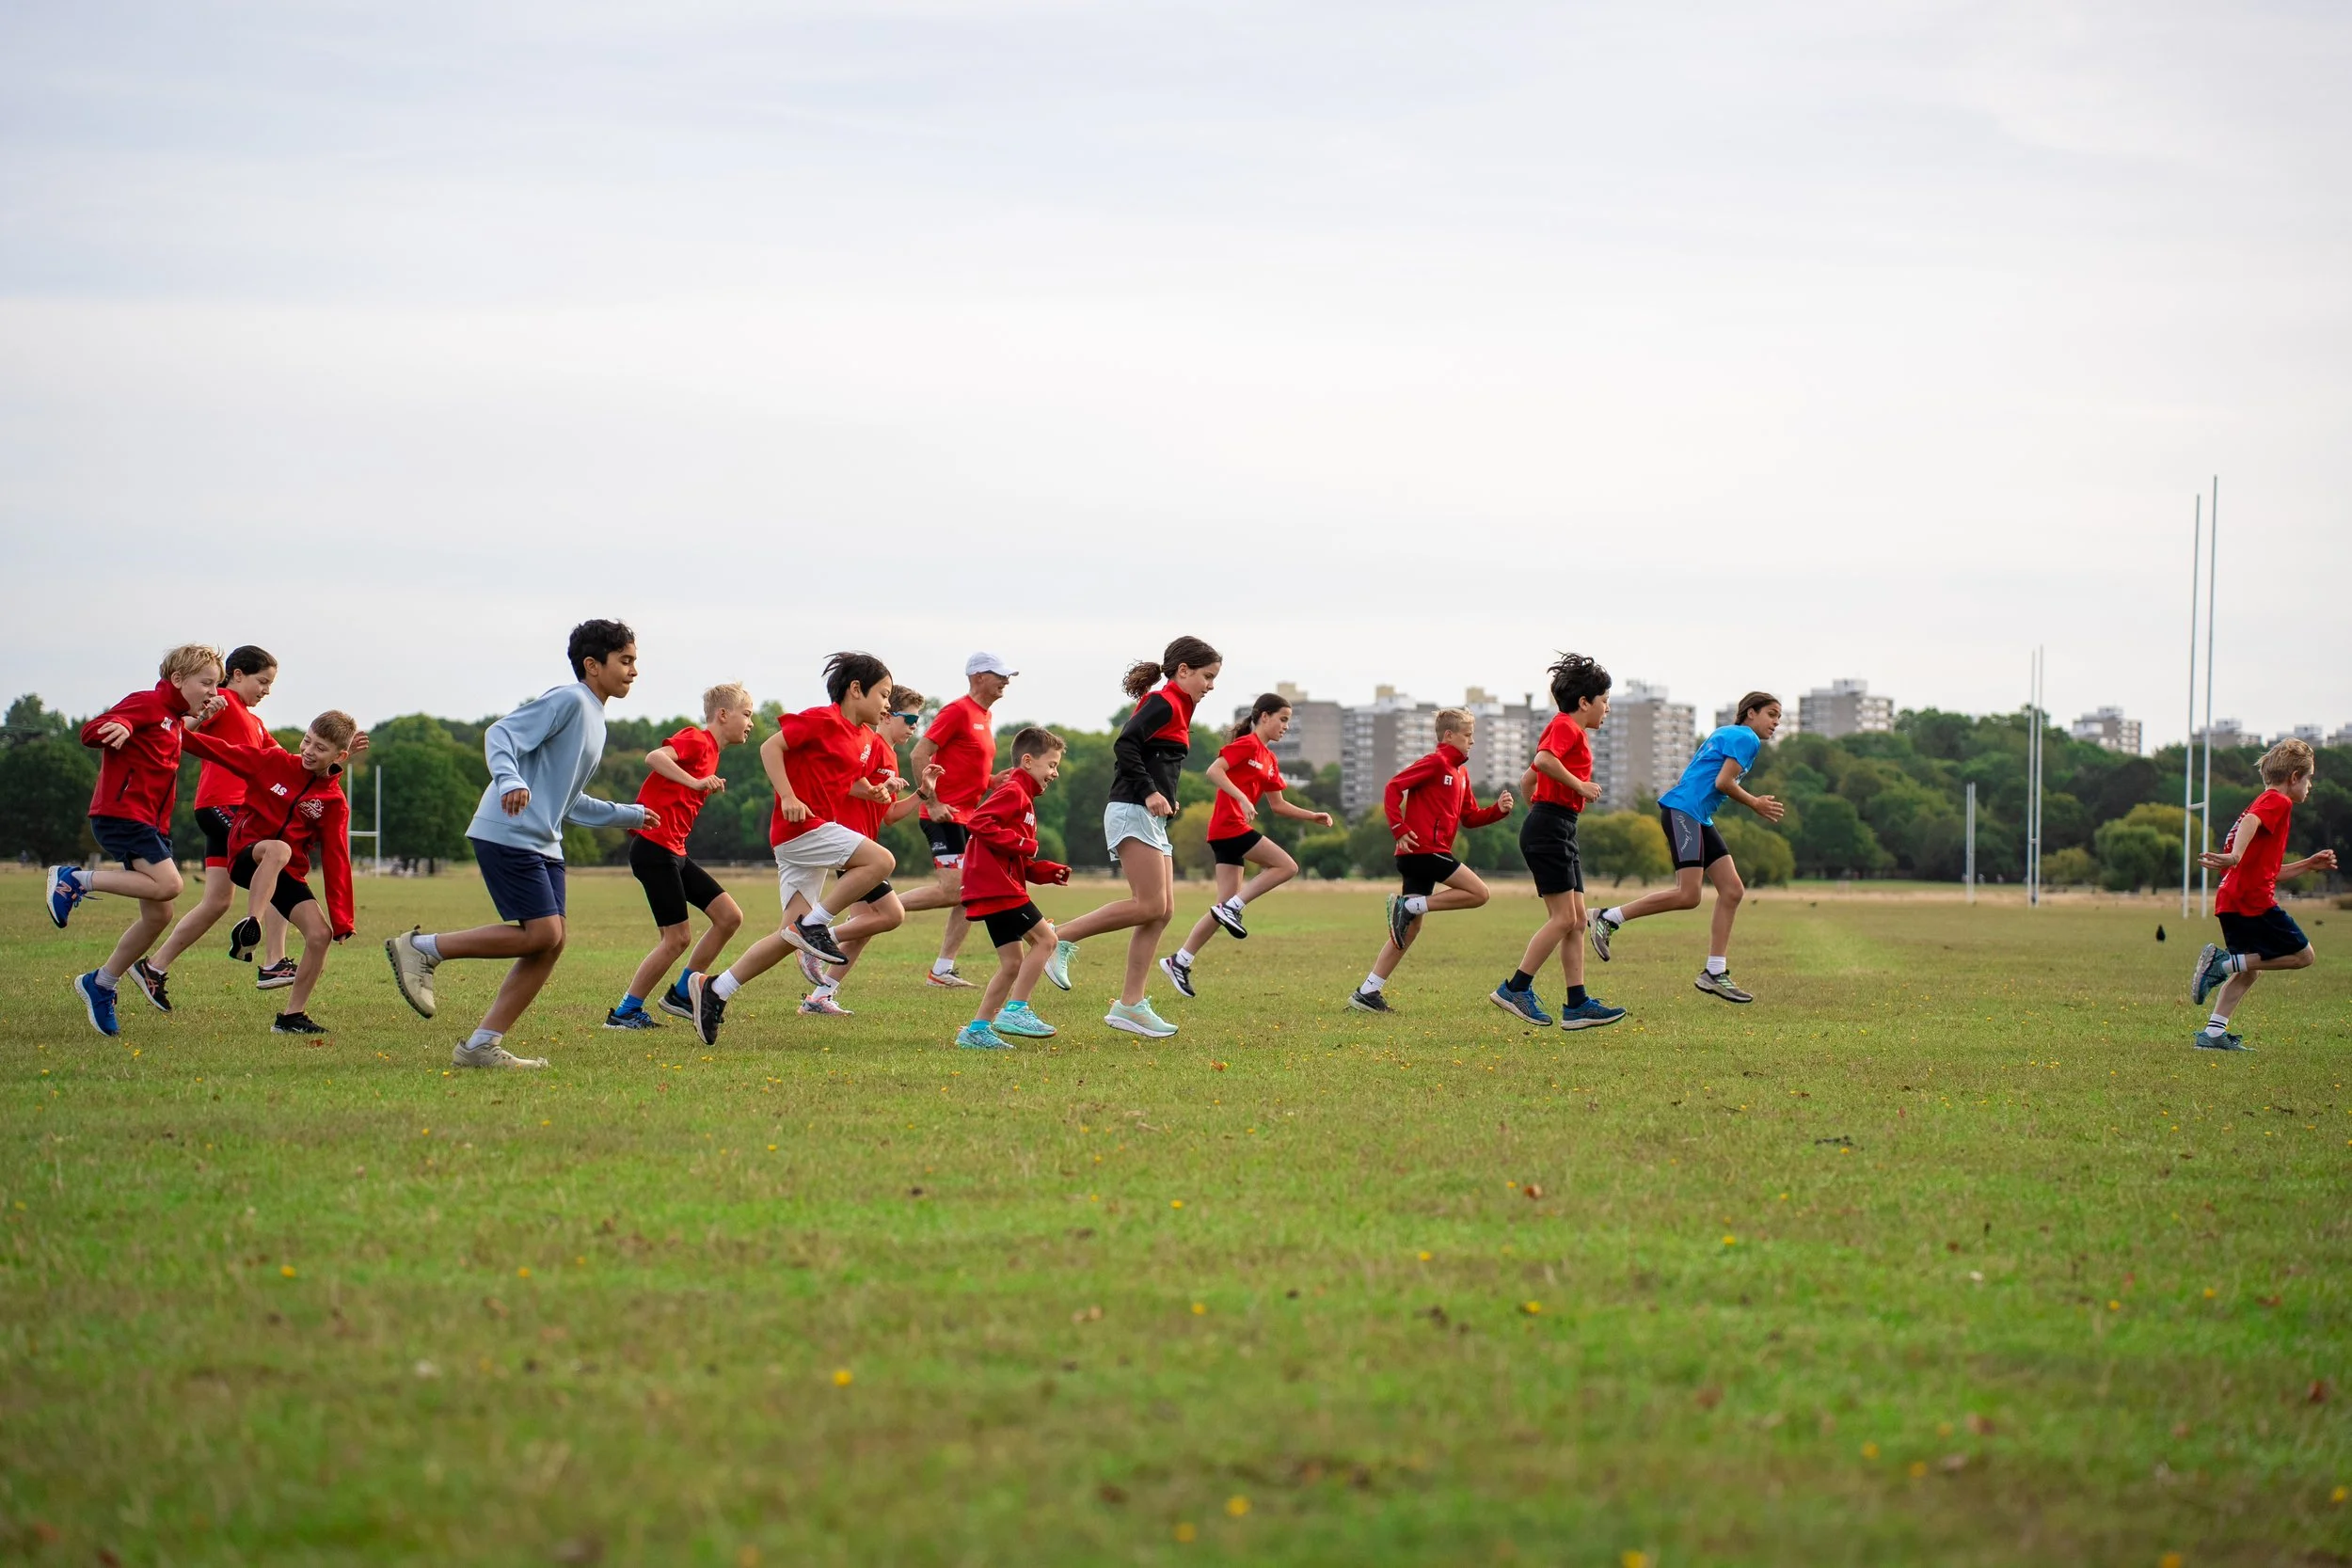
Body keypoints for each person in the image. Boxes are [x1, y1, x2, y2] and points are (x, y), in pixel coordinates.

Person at [384, 619, 655, 1069]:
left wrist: (629, 814)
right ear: (592, 665)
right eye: (625, 661)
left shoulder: (596, 720)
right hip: (507, 830)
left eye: (634, 662)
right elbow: (500, 734)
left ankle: (480, 1046)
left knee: (551, 942)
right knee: (543, 933)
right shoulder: (568, 699)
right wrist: (509, 778)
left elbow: (570, 803)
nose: (633, 671)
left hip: (544, 841)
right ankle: (422, 948)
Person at [687, 652, 898, 1046]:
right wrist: (786, 795)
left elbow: (840, 780)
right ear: (856, 690)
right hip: (801, 830)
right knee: (881, 860)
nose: (888, 704)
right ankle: (816, 925)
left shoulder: (865, 739)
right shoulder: (823, 719)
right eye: (884, 694)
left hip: (807, 839)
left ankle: (715, 990)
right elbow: (771, 747)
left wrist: (868, 790)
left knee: (788, 936)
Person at [1044, 636, 1221, 1038]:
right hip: (1131, 808)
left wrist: (1166, 796)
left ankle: (1130, 1005)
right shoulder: (1164, 701)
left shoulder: (1180, 705)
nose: (1210, 686)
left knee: (1162, 911)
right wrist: (1151, 792)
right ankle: (1057, 939)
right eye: (1207, 677)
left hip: (1149, 816)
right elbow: (1125, 744)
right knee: (1148, 905)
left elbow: (1157, 757)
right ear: (1183, 671)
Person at [48, 644, 226, 1037]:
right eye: (207, 683)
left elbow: (167, 739)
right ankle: (73, 879)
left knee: (159, 913)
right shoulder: (147, 703)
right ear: (178, 680)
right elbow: (92, 730)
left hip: (151, 824)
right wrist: (123, 726)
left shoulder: (173, 719)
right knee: (170, 886)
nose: (214, 691)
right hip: (123, 815)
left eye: (217, 684)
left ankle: (101, 984)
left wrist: (195, 720)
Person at [1589, 690, 1786, 1002]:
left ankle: (1714, 972)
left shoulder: (1729, 733)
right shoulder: (1747, 738)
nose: (1776, 722)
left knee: (1732, 890)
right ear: (1751, 713)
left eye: (1779, 717)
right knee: (1688, 894)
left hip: (1697, 816)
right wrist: (1755, 803)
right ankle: (1608, 918)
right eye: (1772, 714)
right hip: (1685, 812)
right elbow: (1723, 783)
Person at [181, 711, 359, 1034]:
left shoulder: (333, 802)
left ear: (340, 756)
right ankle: (251, 924)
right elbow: (217, 749)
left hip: (285, 872)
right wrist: (172, 730)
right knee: (279, 849)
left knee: (320, 936)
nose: (307, 750)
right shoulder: (273, 762)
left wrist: (343, 919)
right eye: (307, 741)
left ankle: (291, 1017)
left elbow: (337, 858)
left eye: (319, 748)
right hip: (247, 855)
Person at [1158, 691, 1333, 1000]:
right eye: (1282, 719)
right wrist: (1240, 796)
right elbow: (1214, 770)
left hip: (1230, 832)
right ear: (1263, 717)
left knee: (1219, 907)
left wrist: (1313, 816)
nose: (1286, 727)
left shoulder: (1269, 759)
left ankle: (1179, 960)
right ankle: (1235, 907)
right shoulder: (1247, 745)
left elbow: (1278, 805)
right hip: (1229, 827)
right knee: (1286, 866)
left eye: (1288, 722)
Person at [608, 682, 756, 1030]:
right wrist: (694, 781)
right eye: (746, 714)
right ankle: (625, 1012)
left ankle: (682, 994)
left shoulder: (713, 754)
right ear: (723, 714)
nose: (750, 723)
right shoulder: (698, 739)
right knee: (676, 938)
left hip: (674, 852)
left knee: (729, 917)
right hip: (653, 849)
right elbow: (654, 758)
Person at [149, 645, 297, 990]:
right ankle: (273, 961)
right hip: (223, 807)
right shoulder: (225, 702)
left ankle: (154, 967)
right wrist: (203, 714)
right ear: (238, 674)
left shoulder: (255, 723)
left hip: (221, 813)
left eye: (271, 685)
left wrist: (330, 754)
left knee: (217, 900)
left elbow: (288, 763)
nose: (266, 691)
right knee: (280, 866)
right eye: (263, 681)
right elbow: (178, 729)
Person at [1346, 708, 1513, 1014]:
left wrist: (1498, 811)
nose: (1472, 742)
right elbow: (1393, 787)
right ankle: (1408, 906)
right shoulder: (1436, 763)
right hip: (1422, 850)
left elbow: (1470, 818)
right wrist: (1399, 827)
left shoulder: (1461, 773)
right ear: (1449, 735)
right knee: (1480, 893)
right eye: (1467, 735)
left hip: (1425, 854)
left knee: (1409, 930)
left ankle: (1368, 991)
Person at [1490, 654, 1625, 1029]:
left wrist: (1543, 802)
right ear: (1585, 702)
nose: (1607, 709)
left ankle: (1577, 1003)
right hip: (1550, 827)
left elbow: (1527, 780)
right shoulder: (1567, 727)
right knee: (1565, 918)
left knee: (1579, 920)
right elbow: (1544, 760)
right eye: (1605, 701)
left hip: (1556, 824)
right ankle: (1515, 988)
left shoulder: (1569, 730)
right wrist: (1577, 786)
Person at [797, 686, 944, 1017]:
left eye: (916, 722)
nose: (913, 728)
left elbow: (888, 815)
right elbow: (844, 783)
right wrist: (879, 788)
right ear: (887, 715)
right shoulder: (870, 745)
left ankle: (820, 997)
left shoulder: (890, 757)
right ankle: (814, 938)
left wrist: (922, 793)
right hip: (851, 846)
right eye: (908, 719)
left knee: (865, 928)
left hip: (864, 847)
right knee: (891, 916)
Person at [2189, 736, 2336, 1051]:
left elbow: (2270, 871)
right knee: (2303, 956)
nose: (2310, 786)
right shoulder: (2276, 802)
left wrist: (2309, 864)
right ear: (2294, 777)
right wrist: (2235, 856)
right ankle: (2222, 964)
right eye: (2309, 778)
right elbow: (2252, 824)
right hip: (2251, 902)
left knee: (2250, 970)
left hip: (2232, 900)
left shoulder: (2262, 803)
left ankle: (2213, 1034)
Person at [894, 654, 1016, 988]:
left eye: (1008, 676)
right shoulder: (958, 711)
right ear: (977, 677)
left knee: (971, 892)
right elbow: (920, 753)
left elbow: (963, 764)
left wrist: (991, 781)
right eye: (1000, 675)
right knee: (955, 889)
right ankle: (874, 909)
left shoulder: (986, 716)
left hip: (968, 817)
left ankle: (942, 969)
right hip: (943, 814)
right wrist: (933, 802)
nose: (1007, 681)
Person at [954, 727, 1073, 1050]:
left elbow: (1014, 854)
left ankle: (976, 1031)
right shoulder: (1013, 792)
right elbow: (978, 823)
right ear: (1027, 761)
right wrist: (1023, 843)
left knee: (1012, 963)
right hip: (998, 888)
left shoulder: (1025, 800)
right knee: (1047, 940)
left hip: (998, 886)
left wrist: (1044, 871)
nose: (1055, 772)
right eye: (1051, 764)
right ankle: (1016, 1010)